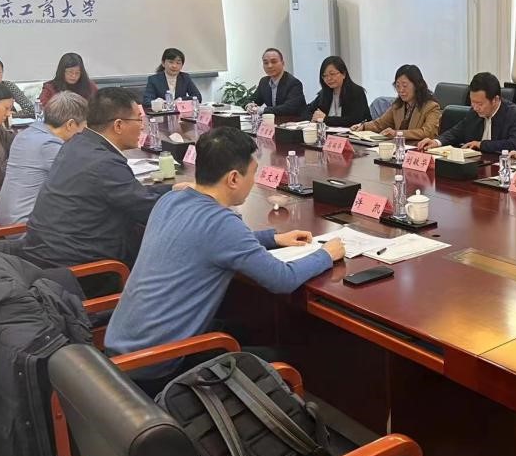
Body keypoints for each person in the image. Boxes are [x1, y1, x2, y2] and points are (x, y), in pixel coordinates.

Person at [104, 127, 345, 394]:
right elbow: (282, 279)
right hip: (157, 366)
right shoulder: (222, 224)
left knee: (245, 327)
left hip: (120, 353)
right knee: (283, 357)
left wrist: (273, 238)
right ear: (233, 178)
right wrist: (326, 254)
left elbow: (206, 241)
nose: (254, 180)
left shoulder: (171, 199)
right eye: (253, 173)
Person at [14, 88, 187, 278]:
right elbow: (148, 209)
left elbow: (133, 196)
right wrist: (190, 199)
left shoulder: (77, 144)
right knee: (172, 247)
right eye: (139, 119)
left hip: (48, 255)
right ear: (118, 125)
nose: (143, 126)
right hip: (84, 270)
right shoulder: (104, 163)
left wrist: (172, 189)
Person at [0, 92, 88, 227]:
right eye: (83, 128)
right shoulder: (49, 145)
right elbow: (81, 181)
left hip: (6, 217)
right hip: (24, 226)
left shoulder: (25, 134)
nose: (83, 133)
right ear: (70, 124)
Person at [418, 72, 516, 153]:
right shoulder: (474, 111)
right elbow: (456, 132)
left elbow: (515, 145)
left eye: (479, 104)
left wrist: (481, 145)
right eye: (472, 102)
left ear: (495, 100)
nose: (475, 108)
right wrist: (436, 142)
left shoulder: (514, 115)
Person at [352, 64, 441, 141]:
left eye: (405, 86)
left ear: (417, 85)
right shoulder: (398, 105)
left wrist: (397, 134)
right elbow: (380, 124)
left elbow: (428, 133)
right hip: (399, 148)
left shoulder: (431, 106)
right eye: (398, 86)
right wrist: (363, 126)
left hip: (418, 150)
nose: (401, 90)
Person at [302, 56, 371, 127]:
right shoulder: (324, 93)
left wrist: (325, 119)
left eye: (332, 74)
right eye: (324, 75)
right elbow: (306, 111)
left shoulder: (356, 92)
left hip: (353, 132)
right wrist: (314, 118)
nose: (329, 78)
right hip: (330, 132)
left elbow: (354, 120)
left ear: (344, 74)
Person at [246, 48, 305, 117]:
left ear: (283, 63)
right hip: (274, 121)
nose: (269, 66)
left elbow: (288, 108)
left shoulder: (294, 83)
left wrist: (263, 110)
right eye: (266, 63)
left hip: (295, 121)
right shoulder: (264, 82)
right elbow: (253, 100)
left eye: (274, 62)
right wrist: (249, 105)